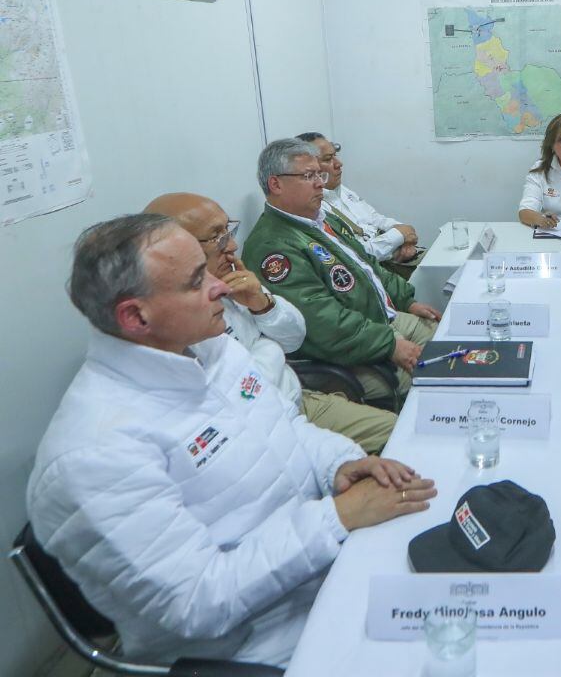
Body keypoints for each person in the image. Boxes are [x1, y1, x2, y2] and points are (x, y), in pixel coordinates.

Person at [27, 214, 437, 668]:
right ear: (135, 316)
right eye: (195, 280)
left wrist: (339, 465)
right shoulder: (94, 453)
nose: (220, 286)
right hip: (263, 647)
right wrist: (336, 518)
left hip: (328, 574)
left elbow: (291, 429)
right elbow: (197, 602)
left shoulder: (210, 349)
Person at [145, 192, 397, 454]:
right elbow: (240, 388)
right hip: (259, 430)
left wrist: (263, 305)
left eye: (229, 231)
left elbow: (294, 337)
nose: (231, 246)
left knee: (401, 431)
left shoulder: (232, 280)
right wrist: (270, 348)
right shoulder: (172, 316)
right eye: (217, 238)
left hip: (296, 400)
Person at [242, 138, 442, 405]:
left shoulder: (319, 220)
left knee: (452, 342)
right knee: (437, 378)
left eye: (319, 174)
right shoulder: (273, 246)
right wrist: (390, 344)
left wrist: (408, 300)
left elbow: (367, 265)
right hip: (348, 351)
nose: (320, 183)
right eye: (309, 176)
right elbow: (321, 321)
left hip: (379, 320)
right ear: (276, 184)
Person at [296, 132, 424, 277]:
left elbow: (376, 219)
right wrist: (399, 236)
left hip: (391, 257)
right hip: (374, 271)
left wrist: (406, 235)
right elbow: (354, 256)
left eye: (335, 155)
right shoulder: (315, 208)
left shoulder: (340, 190)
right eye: (328, 159)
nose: (338, 164)